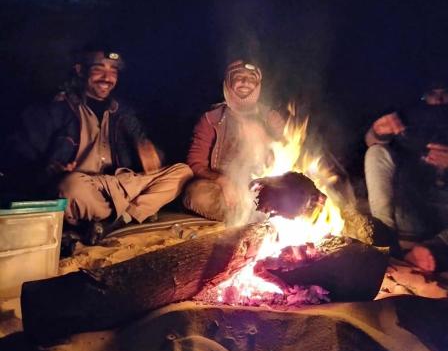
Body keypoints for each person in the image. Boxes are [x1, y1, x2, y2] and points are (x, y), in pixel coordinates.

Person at [3, 45, 193, 244]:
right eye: (98, 69)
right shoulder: (56, 108)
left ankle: (117, 220)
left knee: (183, 172)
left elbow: (148, 152)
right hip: (83, 186)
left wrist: (150, 152)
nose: (107, 77)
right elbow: (17, 158)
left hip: (119, 184)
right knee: (71, 187)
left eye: (113, 71)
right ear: (80, 70)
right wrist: (47, 170)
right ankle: (126, 216)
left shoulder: (122, 112)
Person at [364, 81, 448, 271]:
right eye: (432, 94)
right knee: (376, 153)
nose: (438, 100)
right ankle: (384, 238)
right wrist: (377, 131)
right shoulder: (412, 116)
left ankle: (438, 247)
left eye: (446, 93)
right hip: (415, 210)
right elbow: (373, 144)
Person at [183, 60, 285, 224]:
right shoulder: (212, 119)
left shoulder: (269, 118)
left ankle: (259, 216)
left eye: (252, 79)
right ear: (228, 82)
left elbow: (285, 158)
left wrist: (272, 135)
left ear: (258, 85)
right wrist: (223, 181)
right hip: (223, 188)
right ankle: (255, 219)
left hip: (260, 189)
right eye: (239, 77)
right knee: (196, 195)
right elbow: (195, 162)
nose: (245, 82)